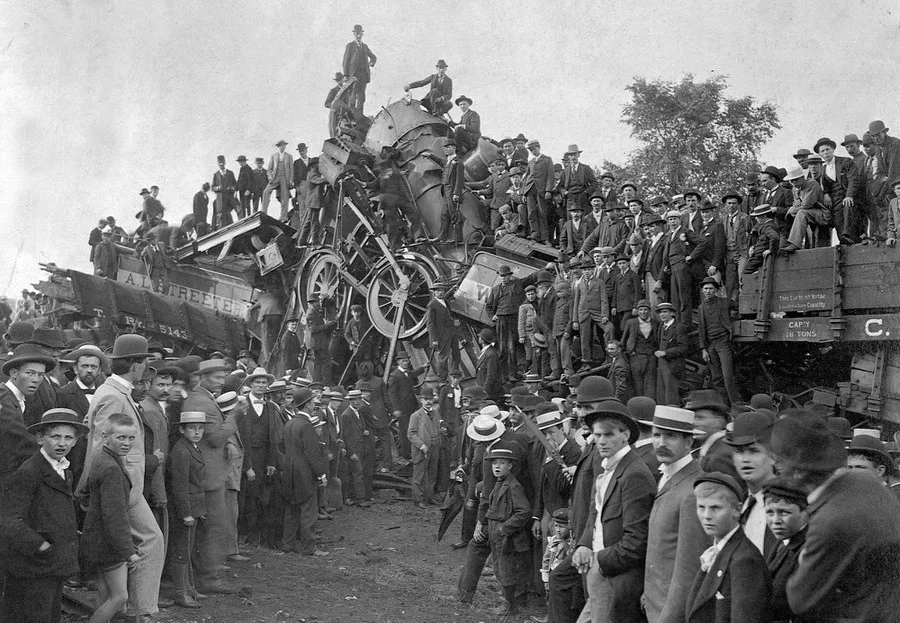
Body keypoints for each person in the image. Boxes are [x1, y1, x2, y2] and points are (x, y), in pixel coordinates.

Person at [770, 411, 900, 621]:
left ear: (798, 473)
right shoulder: (866, 483)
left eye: (779, 462)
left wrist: (803, 557)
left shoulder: (828, 522)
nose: (775, 469)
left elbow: (799, 599)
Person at [77, 335, 165, 621]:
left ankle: (123, 610)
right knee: (151, 540)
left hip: (125, 482)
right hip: (121, 485)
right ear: (137, 365)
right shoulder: (114, 395)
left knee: (116, 549)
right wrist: (90, 487)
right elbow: (100, 445)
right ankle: (145, 611)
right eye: (145, 362)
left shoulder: (116, 391)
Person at [571, 399, 655, 623]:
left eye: (608, 435)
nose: (601, 441)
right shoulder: (609, 467)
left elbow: (636, 541)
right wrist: (584, 544)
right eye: (597, 435)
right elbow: (596, 513)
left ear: (626, 434)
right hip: (601, 571)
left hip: (617, 578)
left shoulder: (634, 473)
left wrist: (599, 561)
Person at [0, 408, 85, 623]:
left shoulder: (65, 470)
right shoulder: (29, 471)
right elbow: (10, 520)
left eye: (68, 437)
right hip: (33, 568)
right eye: (55, 436)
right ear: (40, 438)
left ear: (75, 441)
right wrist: (40, 546)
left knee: (50, 616)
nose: (62, 443)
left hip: (54, 565)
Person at [640, 405, 710, 623]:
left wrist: (669, 617)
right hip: (655, 603)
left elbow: (689, 569)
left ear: (689, 442)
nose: (661, 443)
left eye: (671, 437)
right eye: (657, 435)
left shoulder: (693, 489)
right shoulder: (667, 476)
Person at [181, 359, 239, 594]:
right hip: (209, 476)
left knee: (212, 527)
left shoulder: (202, 399)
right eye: (217, 377)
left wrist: (228, 441)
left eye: (223, 377)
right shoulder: (202, 402)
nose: (221, 381)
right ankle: (209, 577)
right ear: (203, 377)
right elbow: (214, 438)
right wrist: (235, 416)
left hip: (209, 473)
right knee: (215, 526)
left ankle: (207, 571)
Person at [684, 472, 771, 623]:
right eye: (701, 507)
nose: (707, 516)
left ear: (737, 510)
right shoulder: (717, 551)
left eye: (715, 508)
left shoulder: (744, 560)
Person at [483, 443, 532, 617]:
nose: (497, 466)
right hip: (495, 528)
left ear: (510, 466)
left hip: (506, 533)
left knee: (507, 569)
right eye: (494, 463)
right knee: (499, 567)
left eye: (502, 463)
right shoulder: (500, 482)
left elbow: (524, 511)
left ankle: (510, 606)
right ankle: (508, 601)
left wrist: (505, 528)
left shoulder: (513, 486)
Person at [280, 388, 329, 556]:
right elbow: (312, 454)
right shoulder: (307, 425)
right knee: (309, 511)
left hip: (289, 471)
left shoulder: (289, 423)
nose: (314, 404)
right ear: (308, 405)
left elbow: (282, 446)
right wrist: (321, 474)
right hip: (304, 473)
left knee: (291, 510)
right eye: (313, 402)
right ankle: (309, 547)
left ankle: (288, 545)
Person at [166, 410, 207, 609]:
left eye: (200, 428)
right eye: (192, 428)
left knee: (187, 549)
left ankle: (188, 587)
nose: (197, 432)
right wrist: (186, 513)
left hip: (195, 506)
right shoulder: (181, 451)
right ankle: (180, 593)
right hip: (186, 509)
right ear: (182, 430)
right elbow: (180, 485)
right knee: (181, 551)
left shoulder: (192, 447)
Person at [0, 344, 55, 487]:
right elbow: (21, 440)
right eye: (30, 373)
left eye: (40, 375)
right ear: (13, 373)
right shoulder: (4, 399)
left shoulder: (23, 400)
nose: (36, 379)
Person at [725, 411, 778, 557]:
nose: (745, 459)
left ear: (773, 457)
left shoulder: (786, 505)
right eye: (739, 452)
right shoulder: (740, 502)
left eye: (754, 451)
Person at [762, 478, 809, 623]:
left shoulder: (809, 549)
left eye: (784, 513)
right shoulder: (781, 544)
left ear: (805, 512)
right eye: (770, 512)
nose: (775, 520)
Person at [696, 277, 738, 406]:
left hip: (723, 343)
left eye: (711, 288)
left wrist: (736, 320)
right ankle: (725, 406)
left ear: (716, 290)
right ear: (703, 291)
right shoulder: (701, 307)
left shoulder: (724, 302)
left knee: (727, 377)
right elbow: (701, 329)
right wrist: (703, 349)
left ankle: (737, 406)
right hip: (710, 346)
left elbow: (740, 306)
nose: (708, 291)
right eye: (706, 289)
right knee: (716, 379)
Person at [662, 209, 707, 325]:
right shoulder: (669, 235)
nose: (673, 222)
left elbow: (702, 242)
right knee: (675, 298)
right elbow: (667, 253)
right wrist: (667, 266)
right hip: (672, 268)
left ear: (680, 220)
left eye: (675, 219)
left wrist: (691, 256)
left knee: (684, 297)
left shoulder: (685, 232)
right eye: (670, 220)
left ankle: (686, 324)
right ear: (667, 222)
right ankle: (677, 324)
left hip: (683, 266)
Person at [781, 165, 829, 253]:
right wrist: (794, 208)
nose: (794, 182)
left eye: (796, 179)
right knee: (792, 214)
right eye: (792, 180)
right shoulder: (795, 189)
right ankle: (786, 242)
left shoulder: (812, 184)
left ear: (803, 177)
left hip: (823, 215)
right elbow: (797, 204)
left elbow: (807, 204)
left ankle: (795, 243)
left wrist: (793, 209)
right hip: (810, 215)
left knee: (801, 213)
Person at [388, 352, 426, 461]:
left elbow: (413, 374)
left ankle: (412, 450)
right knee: (405, 430)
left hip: (411, 405)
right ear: (398, 362)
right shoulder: (394, 376)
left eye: (407, 360)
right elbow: (392, 394)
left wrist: (423, 368)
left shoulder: (407, 372)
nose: (406, 363)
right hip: (402, 408)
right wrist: (396, 409)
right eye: (403, 361)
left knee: (412, 428)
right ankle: (405, 453)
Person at [407, 386, 441, 508]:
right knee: (419, 475)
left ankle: (429, 496)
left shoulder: (436, 413)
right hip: (421, 450)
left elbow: (437, 428)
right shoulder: (415, 416)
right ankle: (418, 499)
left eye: (430, 399)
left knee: (432, 473)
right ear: (421, 400)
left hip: (434, 447)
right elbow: (411, 434)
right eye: (425, 399)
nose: (428, 402)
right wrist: (421, 445)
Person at [340, 389, 375, 507]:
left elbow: (360, 427)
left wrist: (364, 431)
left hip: (361, 447)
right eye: (354, 400)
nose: (356, 402)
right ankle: (360, 499)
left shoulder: (358, 412)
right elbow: (345, 435)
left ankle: (352, 497)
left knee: (356, 473)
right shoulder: (346, 415)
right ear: (350, 401)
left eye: (358, 399)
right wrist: (351, 452)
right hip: (354, 449)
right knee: (357, 474)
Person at [621, 300, 659, 401]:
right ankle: (639, 407)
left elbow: (658, 339)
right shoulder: (631, 322)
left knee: (651, 385)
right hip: (636, 357)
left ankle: (649, 406)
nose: (643, 312)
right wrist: (630, 353)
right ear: (637, 311)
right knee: (638, 385)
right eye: (641, 309)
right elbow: (623, 341)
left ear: (649, 311)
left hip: (651, 357)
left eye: (645, 309)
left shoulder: (655, 323)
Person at [654, 303, 688, 406]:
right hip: (661, 365)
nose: (662, 315)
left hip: (673, 366)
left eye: (665, 312)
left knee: (671, 395)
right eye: (660, 312)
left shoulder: (679, 327)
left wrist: (666, 353)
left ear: (672, 313)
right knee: (661, 394)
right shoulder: (661, 327)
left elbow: (683, 348)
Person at [426, 281, 458, 384]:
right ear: (434, 292)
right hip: (441, 336)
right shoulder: (432, 305)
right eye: (438, 291)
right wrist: (434, 339)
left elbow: (447, 296)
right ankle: (442, 380)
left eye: (442, 290)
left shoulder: (443, 300)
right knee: (443, 358)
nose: (440, 292)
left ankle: (454, 376)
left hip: (452, 332)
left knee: (456, 354)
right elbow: (430, 324)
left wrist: (453, 289)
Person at [523, 139, 555, 244]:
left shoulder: (547, 160)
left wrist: (548, 190)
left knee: (542, 213)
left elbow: (551, 176)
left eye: (534, 149)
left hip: (541, 190)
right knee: (531, 212)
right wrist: (524, 192)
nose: (533, 151)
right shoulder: (530, 162)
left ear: (539, 148)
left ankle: (545, 237)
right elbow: (527, 176)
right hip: (530, 188)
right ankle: (534, 234)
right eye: (531, 150)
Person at [342, 24, 376, 112]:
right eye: (356, 33)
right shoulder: (350, 46)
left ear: (362, 34)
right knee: (353, 95)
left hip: (363, 74)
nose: (358, 35)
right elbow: (346, 61)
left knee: (361, 96)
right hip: (353, 75)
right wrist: (345, 75)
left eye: (360, 33)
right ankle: (352, 114)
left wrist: (370, 64)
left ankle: (359, 115)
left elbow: (373, 57)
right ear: (354, 34)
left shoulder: (365, 46)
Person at [438, 139, 464, 243]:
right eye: (445, 148)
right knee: (444, 214)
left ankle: (458, 238)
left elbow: (460, 179)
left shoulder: (458, 162)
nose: (446, 150)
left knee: (455, 215)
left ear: (454, 148)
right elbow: (439, 161)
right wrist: (429, 155)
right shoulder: (447, 160)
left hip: (452, 191)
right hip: (445, 190)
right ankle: (442, 237)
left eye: (448, 147)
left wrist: (456, 193)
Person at [305, 293, 336, 384]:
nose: (320, 304)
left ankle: (316, 382)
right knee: (327, 362)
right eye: (318, 302)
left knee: (318, 362)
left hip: (317, 341)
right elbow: (313, 329)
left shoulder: (313, 310)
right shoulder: (311, 313)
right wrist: (326, 325)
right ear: (314, 303)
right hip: (317, 342)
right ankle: (326, 383)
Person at [262, 140, 294, 220]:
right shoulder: (274, 156)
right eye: (280, 146)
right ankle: (263, 212)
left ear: (285, 146)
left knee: (285, 197)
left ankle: (283, 216)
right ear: (278, 147)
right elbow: (269, 169)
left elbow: (291, 169)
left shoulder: (289, 156)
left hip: (284, 178)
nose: (282, 147)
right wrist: (270, 177)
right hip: (275, 177)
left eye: (283, 145)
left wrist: (291, 180)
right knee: (266, 191)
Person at [743, 204, 779, 274]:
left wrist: (771, 250)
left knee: (747, 270)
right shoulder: (764, 225)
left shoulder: (768, 226)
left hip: (759, 255)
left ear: (764, 216)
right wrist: (753, 247)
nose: (756, 219)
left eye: (757, 217)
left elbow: (775, 237)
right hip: (758, 253)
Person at [560, 144, 597, 211]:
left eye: (575, 155)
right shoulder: (565, 171)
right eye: (571, 155)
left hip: (583, 198)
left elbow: (594, 183)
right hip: (570, 199)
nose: (573, 157)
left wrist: (586, 192)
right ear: (568, 157)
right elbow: (560, 186)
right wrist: (565, 192)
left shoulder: (586, 168)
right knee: (571, 220)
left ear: (578, 155)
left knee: (584, 219)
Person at [211, 155, 239, 230]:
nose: (221, 164)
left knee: (238, 208)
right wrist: (218, 188)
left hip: (230, 196)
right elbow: (213, 187)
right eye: (220, 162)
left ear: (225, 162)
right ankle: (222, 229)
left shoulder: (230, 173)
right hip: (221, 197)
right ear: (217, 163)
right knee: (221, 214)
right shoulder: (216, 175)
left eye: (222, 162)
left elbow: (235, 184)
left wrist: (233, 188)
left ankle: (242, 223)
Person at [236, 155, 253, 219]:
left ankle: (249, 217)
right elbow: (239, 179)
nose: (240, 163)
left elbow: (250, 180)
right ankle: (244, 218)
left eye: (241, 161)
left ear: (244, 161)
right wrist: (236, 190)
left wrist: (248, 190)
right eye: (239, 162)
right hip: (241, 190)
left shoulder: (248, 169)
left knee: (247, 204)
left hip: (246, 190)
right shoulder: (241, 169)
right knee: (242, 204)